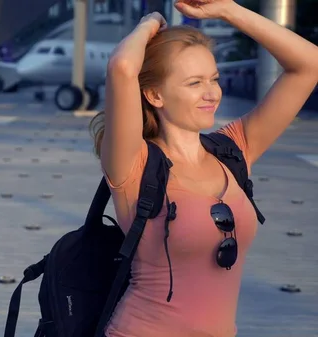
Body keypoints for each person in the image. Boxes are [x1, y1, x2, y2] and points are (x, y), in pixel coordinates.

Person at [89, 1, 318, 336]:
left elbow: (309, 65)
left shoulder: (233, 150)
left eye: (214, 78)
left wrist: (229, 10)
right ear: (155, 94)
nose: (212, 93)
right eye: (194, 83)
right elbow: (122, 66)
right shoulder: (134, 164)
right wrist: (149, 22)